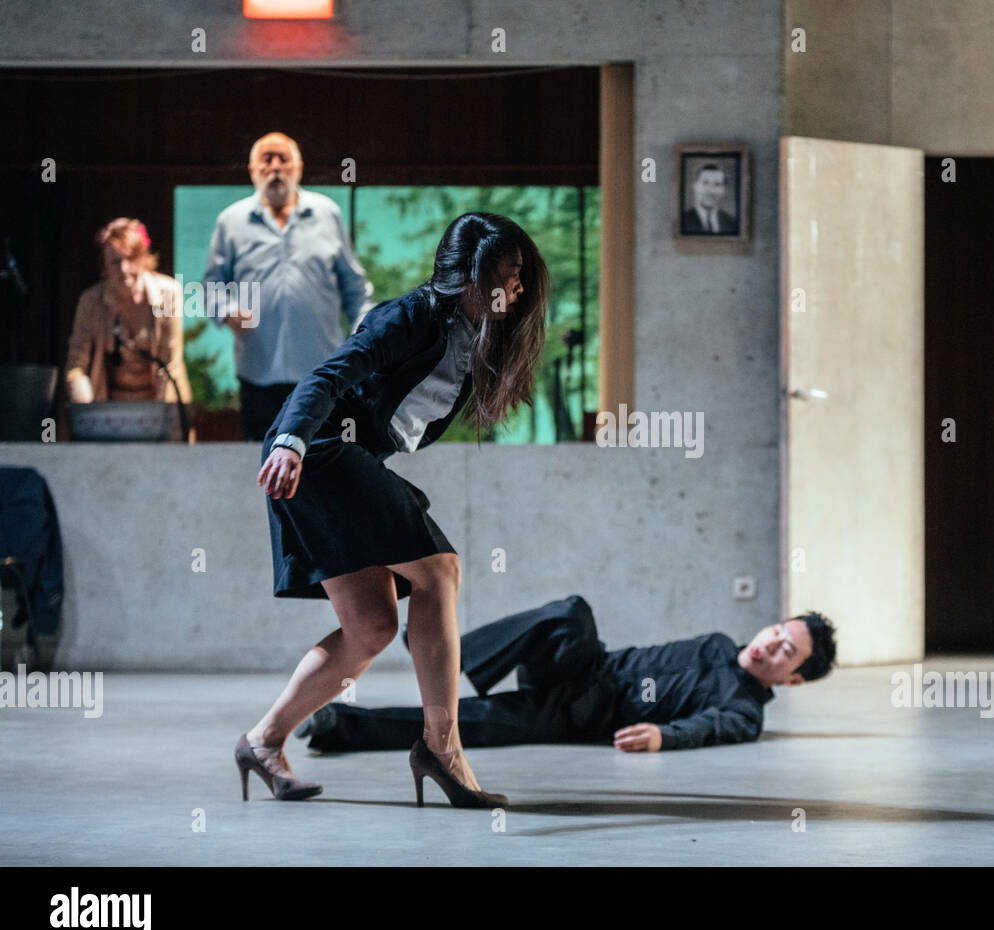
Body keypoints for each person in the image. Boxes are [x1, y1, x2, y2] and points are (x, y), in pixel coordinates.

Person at [235, 212, 549, 810]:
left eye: (522, 275)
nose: (521, 287)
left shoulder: (471, 334)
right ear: (471, 275)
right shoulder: (412, 315)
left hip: (338, 459)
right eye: (510, 274)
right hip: (319, 450)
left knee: (372, 627)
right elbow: (327, 375)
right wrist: (290, 441)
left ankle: (263, 740)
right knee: (441, 570)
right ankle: (441, 746)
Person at [294, 595, 838, 754]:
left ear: (791, 679)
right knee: (571, 612)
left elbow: (710, 727)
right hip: (588, 669)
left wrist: (661, 736)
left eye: (786, 651)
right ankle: (441, 653)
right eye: (776, 631)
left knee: (471, 723)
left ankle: (336, 726)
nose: (771, 643)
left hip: (583, 715)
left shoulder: (744, 711)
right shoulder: (720, 643)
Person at [204, 131, 373, 440]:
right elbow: (212, 284)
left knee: (324, 459)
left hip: (324, 371)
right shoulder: (231, 221)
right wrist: (227, 310)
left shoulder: (326, 214)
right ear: (253, 171)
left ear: (299, 168)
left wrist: (362, 338)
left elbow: (356, 287)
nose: (276, 167)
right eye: (266, 160)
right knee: (262, 465)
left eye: (284, 159)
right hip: (258, 371)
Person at [65, 218, 194, 432]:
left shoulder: (168, 293)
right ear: (105, 265)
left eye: (130, 259)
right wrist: (83, 401)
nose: (124, 269)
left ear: (142, 258)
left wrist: (157, 424)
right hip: (109, 413)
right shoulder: (91, 301)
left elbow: (170, 362)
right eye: (115, 262)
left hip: (162, 408)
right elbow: (76, 365)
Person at [680, 163, 737, 235]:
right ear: (695, 186)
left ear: (724, 190)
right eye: (705, 183)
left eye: (717, 184)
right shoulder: (682, 221)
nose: (711, 191)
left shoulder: (732, 223)